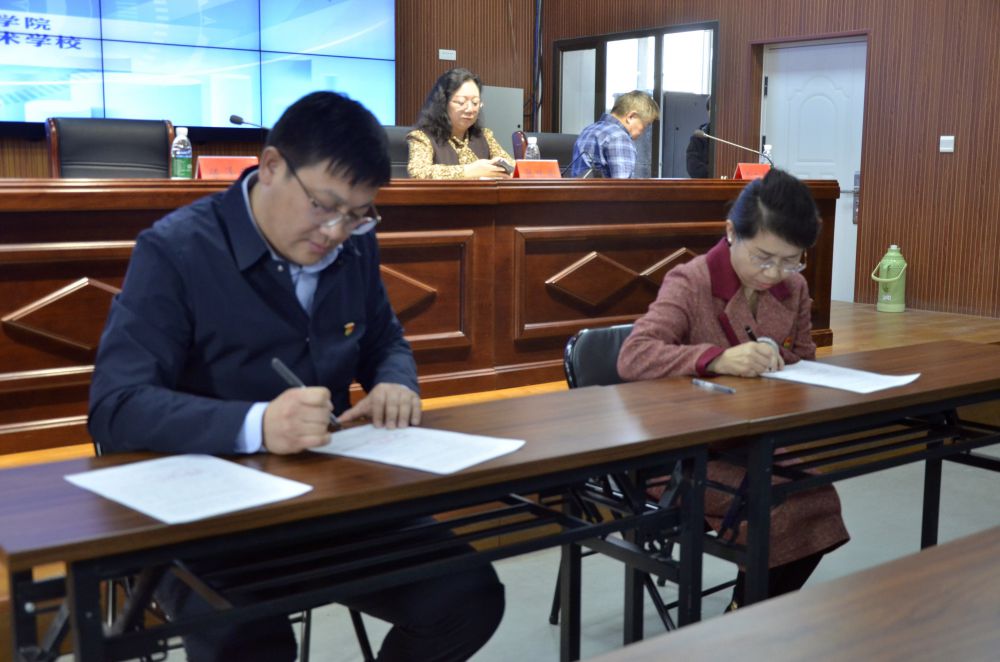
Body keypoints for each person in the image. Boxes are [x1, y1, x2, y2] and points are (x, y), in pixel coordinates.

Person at [89, 91, 505, 661]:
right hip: (203, 516)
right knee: (251, 642)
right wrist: (257, 424)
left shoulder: (353, 244)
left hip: (323, 496)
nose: (336, 231)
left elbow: (384, 339)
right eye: (324, 207)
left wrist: (395, 382)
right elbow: (115, 406)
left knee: (467, 597)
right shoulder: (177, 250)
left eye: (358, 214)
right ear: (270, 167)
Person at [617, 169, 849, 610]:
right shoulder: (692, 281)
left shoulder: (794, 287)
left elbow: (804, 357)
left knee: (818, 497)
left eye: (791, 260)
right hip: (682, 453)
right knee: (780, 504)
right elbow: (634, 356)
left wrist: (779, 358)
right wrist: (716, 359)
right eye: (764, 257)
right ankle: (746, 623)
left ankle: (746, 614)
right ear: (731, 233)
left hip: (750, 440)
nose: (775, 272)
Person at [407, 67, 513, 179]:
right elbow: (418, 172)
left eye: (475, 103)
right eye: (461, 102)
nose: (470, 109)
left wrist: (503, 166)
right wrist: (471, 170)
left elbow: (512, 165)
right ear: (443, 103)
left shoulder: (485, 136)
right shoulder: (422, 137)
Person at [570, 90, 660, 178]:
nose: (643, 132)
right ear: (631, 117)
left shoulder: (587, 130)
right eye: (645, 125)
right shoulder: (619, 137)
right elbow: (622, 185)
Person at [686, 96, 711, 178]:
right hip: (707, 183)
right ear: (708, 112)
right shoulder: (699, 137)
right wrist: (714, 169)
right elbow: (693, 168)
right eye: (712, 109)